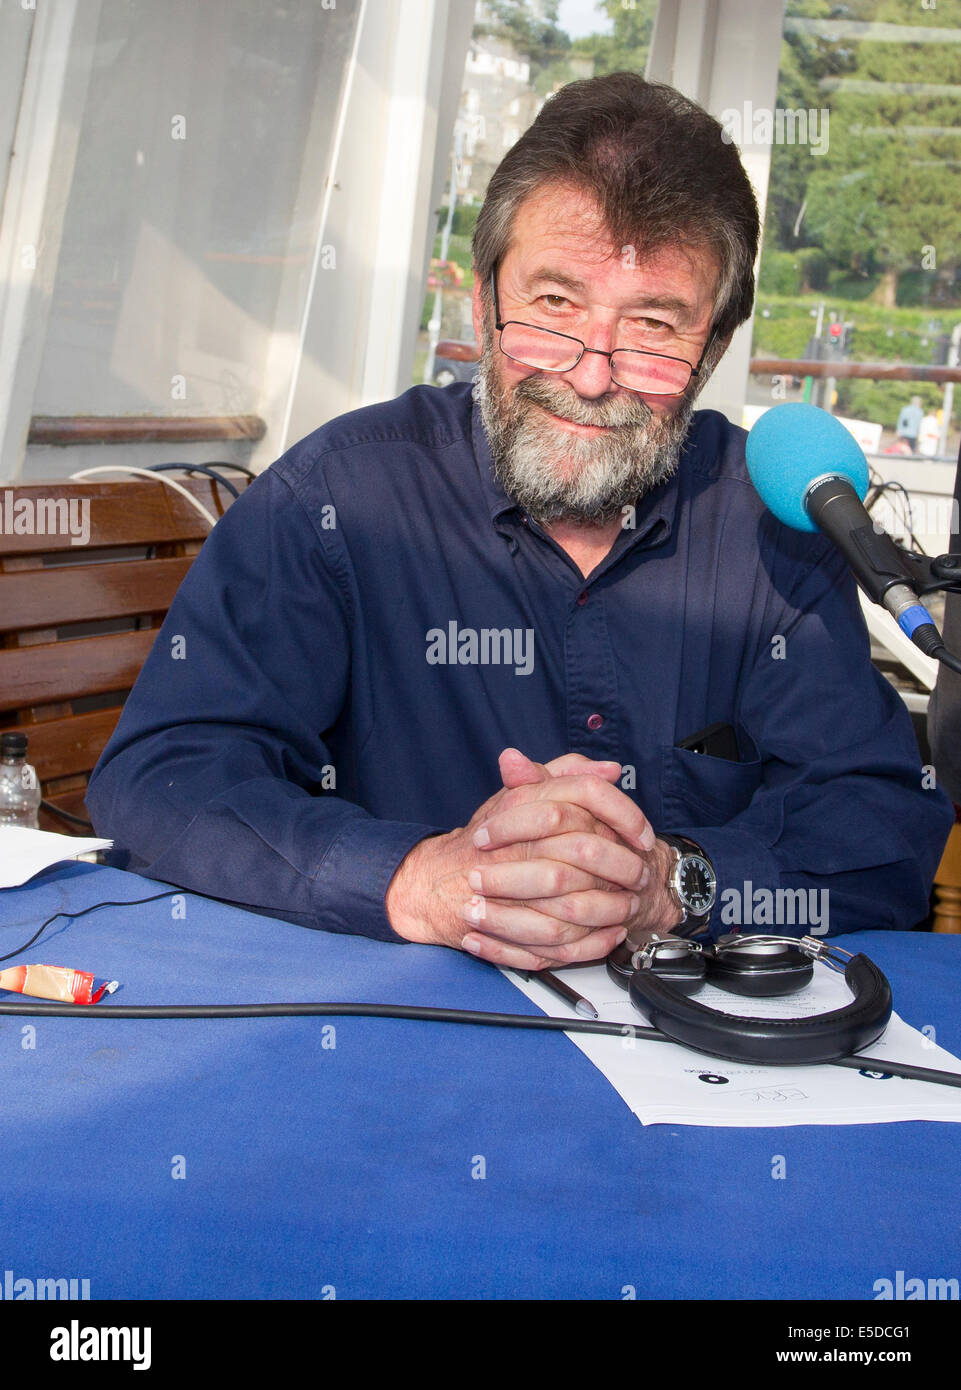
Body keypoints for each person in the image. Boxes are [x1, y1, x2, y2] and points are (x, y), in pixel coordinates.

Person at [86, 74, 953, 972]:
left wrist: (675, 883)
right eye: (552, 306)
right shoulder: (336, 498)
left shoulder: (772, 525)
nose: (588, 375)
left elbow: (879, 826)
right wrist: (414, 879)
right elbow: (163, 776)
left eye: (652, 326)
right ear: (480, 300)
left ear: (714, 351)